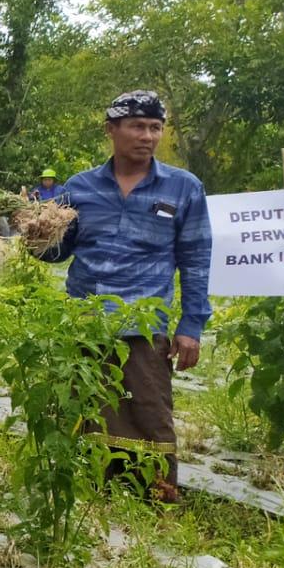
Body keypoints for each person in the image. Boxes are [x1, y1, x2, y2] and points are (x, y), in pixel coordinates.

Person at [44, 90, 211, 503]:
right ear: (111, 130)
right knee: (85, 410)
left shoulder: (183, 188)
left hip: (143, 326)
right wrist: (37, 233)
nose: (148, 136)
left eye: (155, 128)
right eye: (137, 126)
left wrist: (191, 325)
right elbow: (57, 253)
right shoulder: (80, 188)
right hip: (85, 322)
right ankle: (92, 497)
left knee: (149, 415)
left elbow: (196, 259)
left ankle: (154, 502)